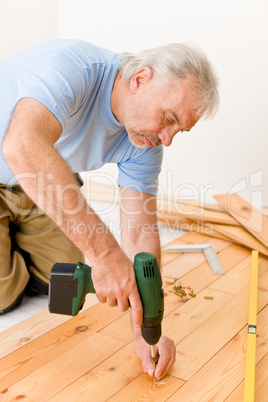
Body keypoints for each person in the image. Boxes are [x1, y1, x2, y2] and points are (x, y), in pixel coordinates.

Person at [0, 39, 219, 379]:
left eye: (179, 130)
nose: (168, 138)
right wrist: (104, 255)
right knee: (5, 294)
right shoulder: (71, 69)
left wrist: (147, 329)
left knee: (60, 280)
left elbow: (139, 231)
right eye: (169, 119)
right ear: (141, 79)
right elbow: (22, 145)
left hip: (35, 183)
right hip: (26, 163)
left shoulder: (146, 140)